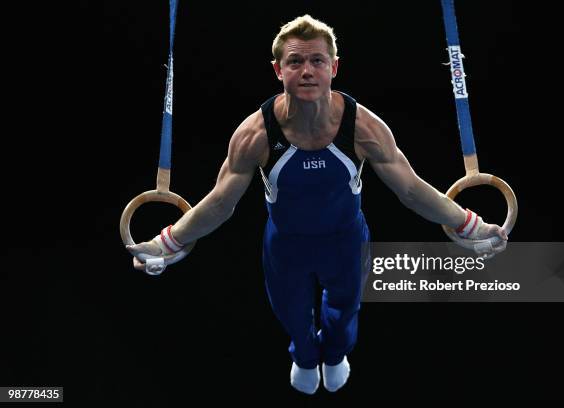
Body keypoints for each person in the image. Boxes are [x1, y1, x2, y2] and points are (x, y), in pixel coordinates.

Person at [126, 14, 508, 394]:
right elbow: (220, 203)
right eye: (295, 61)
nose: (307, 70)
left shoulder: (363, 128)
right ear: (278, 70)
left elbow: (410, 190)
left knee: (344, 317)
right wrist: (168, 242)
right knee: (292, 317)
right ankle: (305, 356)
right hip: (286, 246)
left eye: (317, 61)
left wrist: (468, 223)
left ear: (334, 67)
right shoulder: (255, 135)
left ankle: (335, 353)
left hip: (345, 242)